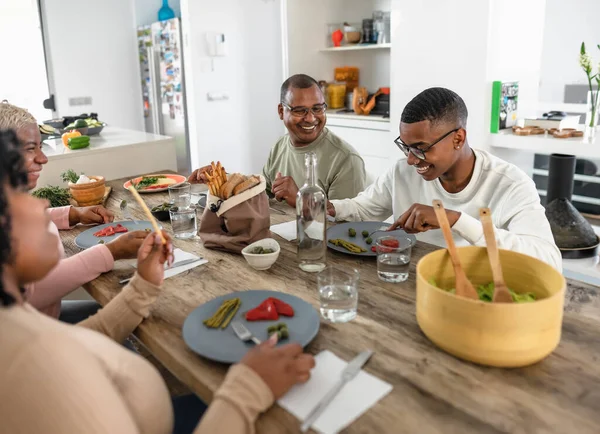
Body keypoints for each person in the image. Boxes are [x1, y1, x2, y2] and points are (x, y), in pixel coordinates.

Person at [0, 128, 315, 434]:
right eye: (18, 192)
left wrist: (142, 286)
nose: (44, 204)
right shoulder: (28, 360)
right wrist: (246, 390)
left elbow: (79, 340)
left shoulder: (15, 320)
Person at [328, 87, 561, 269]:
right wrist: (323, 206)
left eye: (420, 148)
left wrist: (454, 220)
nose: (411, 159)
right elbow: (363, 209)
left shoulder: (510, 184)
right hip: (406, 279)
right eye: (406, 147)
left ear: (458, 139)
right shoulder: (403, 172)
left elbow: (548, 261)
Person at [0, 101, 147, 321]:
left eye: (41, 147)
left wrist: (72, 214)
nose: (43, 158)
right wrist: (111, 252)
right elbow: (28, 295)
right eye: (31, 148)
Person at [188, 74, 367, 208]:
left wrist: (300, 198)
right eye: (300, 110)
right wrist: (222, 179)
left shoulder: (346, 159)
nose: (311, 118)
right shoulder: (280, 145)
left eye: (318, 108)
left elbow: (343, 228)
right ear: (281, 111)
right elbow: (258, 194)